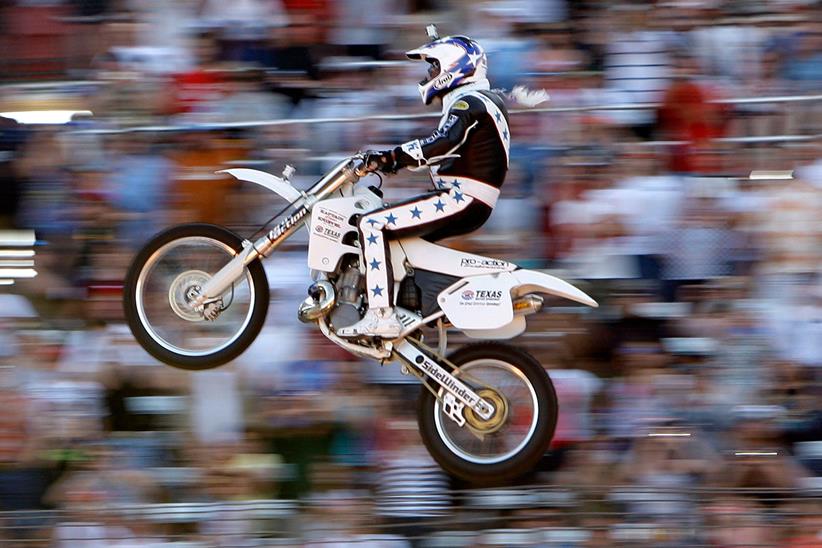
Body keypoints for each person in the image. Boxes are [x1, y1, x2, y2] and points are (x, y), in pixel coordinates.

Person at [338, 33, 510, 338]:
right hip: (465, 199)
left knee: (372, 225)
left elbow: (440, 144)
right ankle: (407, 307)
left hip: (461, 198)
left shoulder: (471, 102)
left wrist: (388, 158)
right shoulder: (481, 101)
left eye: (434, 66)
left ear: (454, 67)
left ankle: (381, 315)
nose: (429, 74)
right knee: (395, 236)